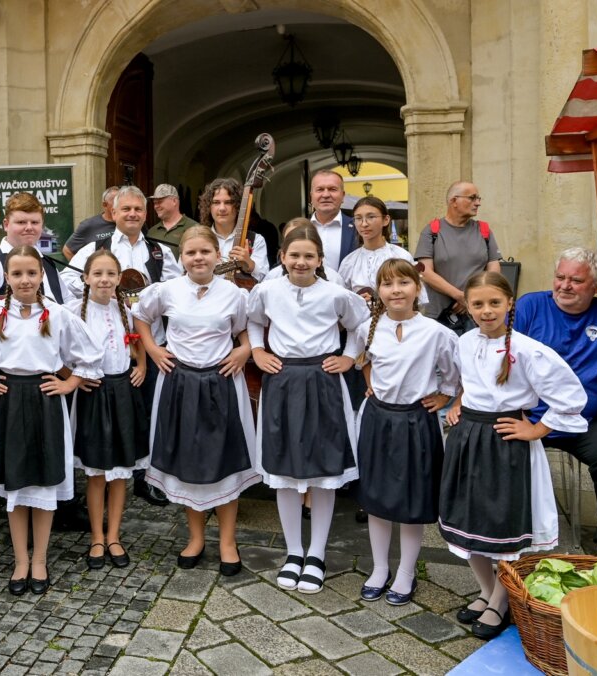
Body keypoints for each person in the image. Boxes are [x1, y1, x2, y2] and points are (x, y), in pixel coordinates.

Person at [439, 272, 587, 640]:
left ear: (509, 305)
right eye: (478, 304)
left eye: (494, 303)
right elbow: (466, 381)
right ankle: (488, 592)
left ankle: (500, 602)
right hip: (468, 440)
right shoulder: (464, 341)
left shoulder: (528, 350)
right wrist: (458, 404)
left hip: (506, 444)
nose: (486, 311)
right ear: (468, 307)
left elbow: (571, 398)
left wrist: (535, 429)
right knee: (469, 519)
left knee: (504, 524)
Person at [0, 246, 103, 595]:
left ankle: (39, 558)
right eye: (17, 274)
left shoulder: (58, 315)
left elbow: (89, 356)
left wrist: (70, 382)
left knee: (42, 485)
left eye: (31, 273)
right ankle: (20, 560)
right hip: (9, 403)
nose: (24, 280)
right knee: (16, 486)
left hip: (45, 401)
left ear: (41, 274)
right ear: (7, 278)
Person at [247, 226, 369, 594]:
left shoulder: (336, 294)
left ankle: (316, 554)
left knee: (322, 469)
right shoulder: (267, 290)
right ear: (282, 257)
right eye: (294, 255)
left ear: (320, 260)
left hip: (322, 380)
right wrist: (257, 351)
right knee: (284, 469)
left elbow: (360, 325)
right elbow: (254, 319)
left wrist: (349, 358)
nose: (301, 262)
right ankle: (293, 551)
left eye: (309, 256)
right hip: (282, 379)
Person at [133, 226, 260, 576]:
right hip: (181, 383)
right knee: (190, 462)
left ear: (217, 256)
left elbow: (247, 329)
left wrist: (244, 351)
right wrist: (155, 350)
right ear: (181, 258)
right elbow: (141, 317)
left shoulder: (234, 295)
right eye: (191, 253)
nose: (198, 258)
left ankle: (228, 542)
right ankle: (196, 537)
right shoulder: (167, 291)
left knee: (226, 462)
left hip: (221, 383)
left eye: (205, 251)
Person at [63, 186, 182, 508]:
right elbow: (68, 280)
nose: (132, 214)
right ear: (113, 213)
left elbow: (175, 292)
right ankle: (99, 470)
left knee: (145, 414)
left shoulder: (158, 252)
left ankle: (144, 478)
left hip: (150, 345)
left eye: (138, 210)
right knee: (102, 416)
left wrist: (147, 300)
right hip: (106, 350)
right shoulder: (97, 247)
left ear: (146, 214)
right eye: (125, 209)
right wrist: (98, 298)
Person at [352, 260, 459, 606]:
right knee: (378, 498)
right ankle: (380, 568)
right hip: (379, 420)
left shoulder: (436, 333)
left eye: (403, 283)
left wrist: (443, 396)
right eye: (387, 284)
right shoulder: (368, 326)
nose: (395, 290)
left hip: (416, 422)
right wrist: (371, 387)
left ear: (417, 288)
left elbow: (454, 374)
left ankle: (406, 572)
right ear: (379, 291)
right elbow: (364, 360)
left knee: (412, 500)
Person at [514, 248, 597, 558]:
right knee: (497, 446)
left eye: (576, 280)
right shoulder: (531, 306)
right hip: (531, 416)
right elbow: (503, 356)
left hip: (584, 421)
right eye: (559, 277)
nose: (564, 286)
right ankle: (508, 534)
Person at [65, 250, 149, 569]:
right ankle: (96, 536)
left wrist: (140, 364)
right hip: (93, 394)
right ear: (86, 278)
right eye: (97, 273)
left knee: (119, 474)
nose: (104, 279)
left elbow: (136, 339)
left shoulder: (125, 308)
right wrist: (71, 377)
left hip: (122, 391)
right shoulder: (73, 311)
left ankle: (114, 535)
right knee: (97, 473)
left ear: (118, 279)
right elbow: (55, 347)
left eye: (110, 274)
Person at [0, 192, 71, 319]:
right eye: (21, 222)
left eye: (35, 222)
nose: (29, 227)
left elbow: (66, 301)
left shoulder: (46, 262)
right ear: (6, 225)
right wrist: (19, 311)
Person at [414, 181, 501, 333]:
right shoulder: (432, 231)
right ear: (454, 201)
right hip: (440, 315)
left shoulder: (484, 230)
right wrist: (458, 296)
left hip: (477, 313)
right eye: (472, 198)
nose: (478, 203)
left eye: (478, 198)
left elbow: (493, 271)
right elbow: (425, 272)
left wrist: (470, 297)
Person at [338, 197, 428, 306]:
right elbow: (341, 303)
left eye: (371, 217)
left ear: (386, 220)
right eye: (358, 218)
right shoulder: (349, 262)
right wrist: (357, 302)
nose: (364, 224)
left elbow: (418, 298)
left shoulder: (401, 256)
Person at [198, 178, 269, 282]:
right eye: (216, 202)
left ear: (238, 206)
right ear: (209, 207)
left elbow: (266, 280)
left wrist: (249, 263)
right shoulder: (198, 238)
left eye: (228, 202)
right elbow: (183, 275)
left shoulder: (255, 240)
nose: (222, 208)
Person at [308, 170, 357, 271]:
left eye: (332, 189)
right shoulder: (298, 228)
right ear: (311, 197)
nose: (326, 195)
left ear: (343, 196)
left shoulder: (357, 228)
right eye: (320, 189)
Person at [62, 186, 119, 259]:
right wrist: (82, 269)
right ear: (105, 205)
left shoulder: (126, 224)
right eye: (116, 201)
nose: (120, 204)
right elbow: (67, 251)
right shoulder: (89, 225)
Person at [147, 184, 198, 251]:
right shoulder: (151, 232)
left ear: (174, 201)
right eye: (155, 203)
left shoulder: (195, 228)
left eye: (159, 202)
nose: (156, 206)